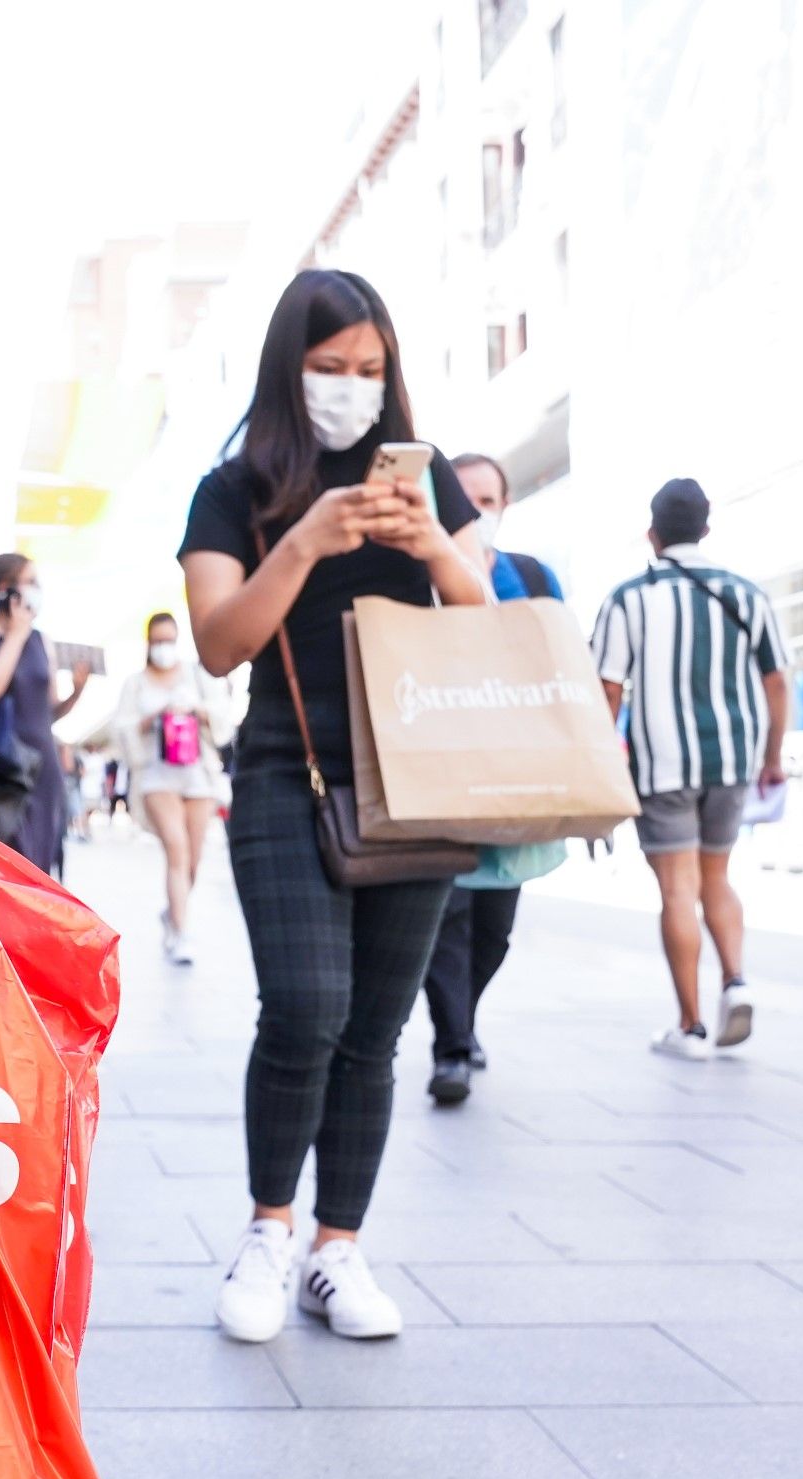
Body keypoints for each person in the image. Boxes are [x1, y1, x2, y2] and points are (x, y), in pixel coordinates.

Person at [179, 267, 495, 1345]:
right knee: (306, 1005)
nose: (353, 387)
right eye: (330, 368)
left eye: (371, 369)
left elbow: (486, 617)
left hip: (419, 775)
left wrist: (434, 546)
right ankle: (269, 1229)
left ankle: (337, 1246)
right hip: (284, 764)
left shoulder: (430, 481)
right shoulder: (235, 489)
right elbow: (221, 644)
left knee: (373, 1029)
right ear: (290, 367)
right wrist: (307, 536)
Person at [591, 478, 791, 1061]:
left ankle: (692, 1026)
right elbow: (777, 681)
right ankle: (736, 980)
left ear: (651, 534)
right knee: (717, 879)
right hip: (731, 760)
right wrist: (772, 757)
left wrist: (604, 761)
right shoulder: (747, 595)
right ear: (706, 530)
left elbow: (608, 688)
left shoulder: (628, 598)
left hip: (662, 764)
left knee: (677, 890)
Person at [419, 451, 561, 1105]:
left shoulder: (531, 575)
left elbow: (562, 662)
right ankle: (452, 1048)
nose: (477, 512)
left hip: (516, 767)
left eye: (489, 500)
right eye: (465, 499)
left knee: (495, 924)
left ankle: (462, 1021)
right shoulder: (420, 573)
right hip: (440, 763)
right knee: (446, 915)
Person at [0, 552, 81, 875]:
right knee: (3, 869)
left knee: (39, 870)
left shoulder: (41, 639)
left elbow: (49, 711)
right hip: (1, 770)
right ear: (7, 588)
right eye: (31, 581)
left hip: (43, 767)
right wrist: (17, 635)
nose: (38, 590)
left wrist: (77, 691)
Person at [110, 612, 228, 963]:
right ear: (149, 643)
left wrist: (196, 711)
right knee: (175, 848)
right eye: (158, 641)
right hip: (157, 775)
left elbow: (223, 717)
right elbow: (123, 729)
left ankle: (171, 913)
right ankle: (181, 933)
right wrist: (152, 718)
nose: (164, 648)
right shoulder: (136, 683)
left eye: (169, 640)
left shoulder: (196, 674)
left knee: (192, 858)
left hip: (197, 775)